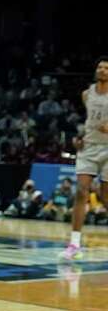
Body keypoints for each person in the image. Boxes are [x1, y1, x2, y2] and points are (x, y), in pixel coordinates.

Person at [61, 57, 108, 259]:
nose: (103, 70)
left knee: (106, 197)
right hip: (89, 148)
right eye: (100, 66)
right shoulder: (86, 94)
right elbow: (88, 122)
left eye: (107, 68)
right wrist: (78, 138)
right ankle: (74, 244)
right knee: (81, 191)